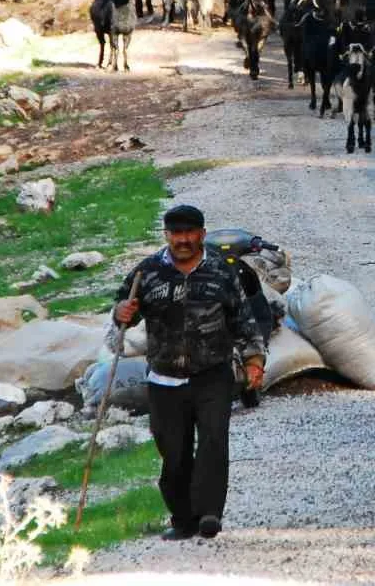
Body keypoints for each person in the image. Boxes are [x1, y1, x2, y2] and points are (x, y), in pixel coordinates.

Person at [112, 204, 266, 541]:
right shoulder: (147, 272)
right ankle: (183, 519)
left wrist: (254, 360)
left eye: (190, 233)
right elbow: (124, 310)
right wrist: (122, 311)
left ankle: (209, 513)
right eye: (177, 233)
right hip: (164, 378)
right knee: (175, 454)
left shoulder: (222, 272)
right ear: (166, 235)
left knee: (213, 441)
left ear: (202, 235)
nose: (183, 240)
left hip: (212, 373)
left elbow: (244, 320)